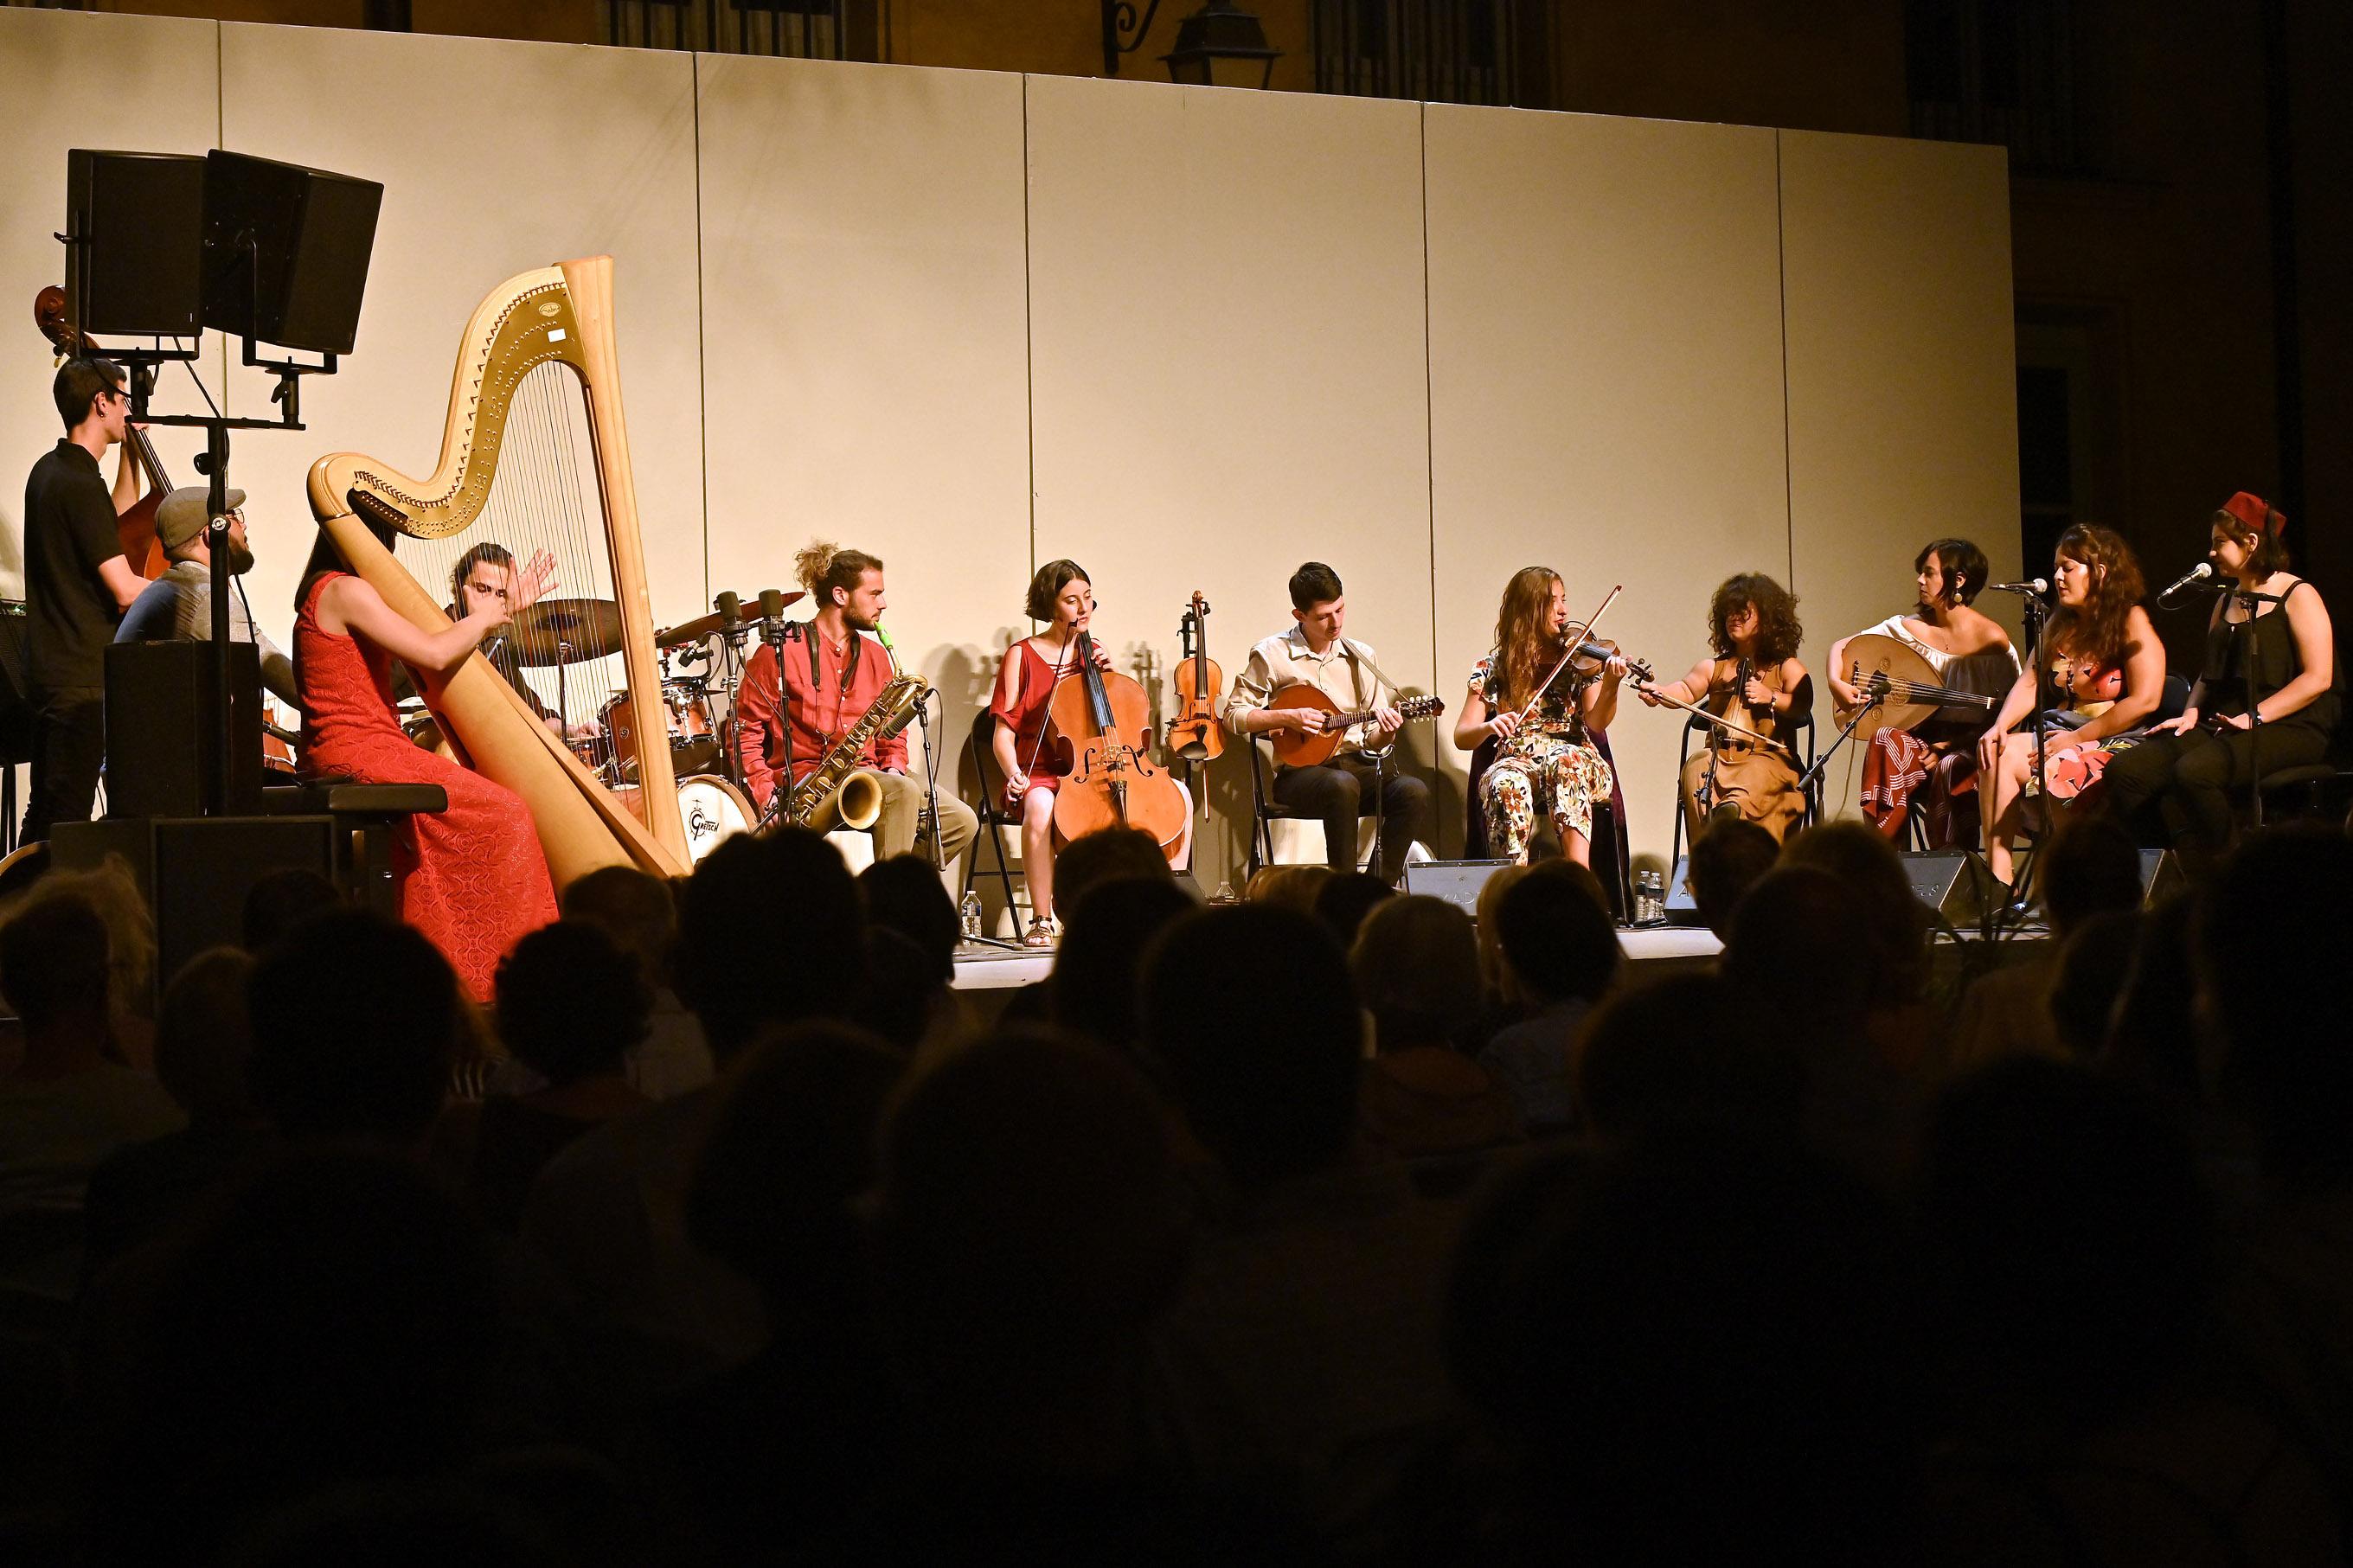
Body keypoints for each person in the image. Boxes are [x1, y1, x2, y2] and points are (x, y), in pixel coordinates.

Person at [292, 534, 558, 1001]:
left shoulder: (332, 589)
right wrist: (487, 615)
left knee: (488, 810)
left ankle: (458, 964)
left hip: (360, 745)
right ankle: (494, 982)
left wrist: (496, 612)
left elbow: (434, 645)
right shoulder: (344, 590)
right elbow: (434, 654)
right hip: (360, 747)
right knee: (506, 813)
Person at [2101, 493, 2339, 864]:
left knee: (2194, 773)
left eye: (2218, 543)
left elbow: (2318, 678)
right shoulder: (2226, 600)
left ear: (2251, 542)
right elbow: (2208, 674)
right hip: (2226, 722)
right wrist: (2191, 712)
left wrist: (2255, 716)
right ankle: (2178, 866)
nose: (2210, 552)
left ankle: (2231, 874)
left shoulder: (2298, 594)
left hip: (2291, 725)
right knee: (2127, 772)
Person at [734, 541, 978, 874]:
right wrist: (766, 797)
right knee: (901, 792)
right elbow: (745, 732)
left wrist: (893, 765)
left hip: (872, 774)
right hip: (810, 783)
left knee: (962, 822)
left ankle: (874, 891)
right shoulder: (780, 652)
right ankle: (888, 912)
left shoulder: (878, 657)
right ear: (840, 596)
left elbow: (892, 731)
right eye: (874, 594)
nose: (884, 604)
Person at [988, 559, 1190, 945]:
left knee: (1179, 795)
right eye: (1071, 600)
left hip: (1098, 765)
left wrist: (1111, 679)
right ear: (1050, 604)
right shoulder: (1022, 655)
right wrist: (1014, 772)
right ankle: (1043, 918)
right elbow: (1003, 733)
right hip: (1042, 772)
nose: (1083, 609)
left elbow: (1119, 724)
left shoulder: (1094, 651)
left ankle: (1165, 902)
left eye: (1088, 598)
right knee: (1041, 808)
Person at [1976, 524, 2165, 892]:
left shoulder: (2131, 619)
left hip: (2113, 738)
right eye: (2056, 567)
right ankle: (1999, 883)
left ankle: (2074, 884)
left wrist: (2077, 738)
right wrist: (2000, 726)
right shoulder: (2061, 623)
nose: (2057, 576)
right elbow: (2030, 681)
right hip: (2059, 734)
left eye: (2068, 567)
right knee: (1996, 753)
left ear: (2101, 572)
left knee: (2061, 767)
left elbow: (2147, 700)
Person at [1223, 561, 1430, 885]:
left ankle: (1376, 887)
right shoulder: (1271, 654)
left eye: (1340, 610)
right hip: (1299, 775)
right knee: (1340, 785)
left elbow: (1373, 739)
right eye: (1323, 616)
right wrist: (1285, 716)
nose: (1336, 623)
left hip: (1356, 766)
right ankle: (1343, 890)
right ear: (1299, 616)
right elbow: (1233, 715)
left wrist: (1386, 733)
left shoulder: (1362, 656)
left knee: (1412, 791)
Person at [18, 357, 147, 843]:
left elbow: (108, 523)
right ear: (102, 401)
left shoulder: (53, 471)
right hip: (79, 680)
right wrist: (186, 588)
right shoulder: (76, 481)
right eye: (123, 399)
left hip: (52, 673)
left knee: (47, 815)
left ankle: (19, 910)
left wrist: (132, 449)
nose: (127, 409)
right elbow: (122, 588)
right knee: (66, 823)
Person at [1836, 538, 2019, 848]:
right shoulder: (1909, 629)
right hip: (1921, 736)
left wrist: (1951, 745)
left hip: (1970, 745)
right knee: (1886, 740)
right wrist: (1835, 683)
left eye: (1929, 573)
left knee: (1951, 766)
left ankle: (1950, 871)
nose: (1920, 580)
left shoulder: (1991, 641)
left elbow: (2007, 715)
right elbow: (1843, 647)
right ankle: (1889, 861)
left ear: (1958, 580)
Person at [1454, 566, 1627, 868]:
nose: (1565, 610)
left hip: (1575, 757)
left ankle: (1579, 877)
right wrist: (1488, 726)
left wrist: (1610, 686)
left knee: (1563, 761)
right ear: (1530, 609)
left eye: (1564, 599)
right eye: (1554, 602)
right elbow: (1462, 735)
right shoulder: (1495, 664)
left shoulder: (1578, 658)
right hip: (1518, 758)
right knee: (1504, 781)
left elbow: (1597, 722)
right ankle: (1511, 884)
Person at [1638, 573, 1812, 845]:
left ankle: (1733, 816)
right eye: (1729, 612)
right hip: (1719, 758)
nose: (1734, 617)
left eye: (1743, 612)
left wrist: (1771, 697)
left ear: (1767, 618)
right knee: (1696, 766)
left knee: (1756, 772)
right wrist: (1660, 693)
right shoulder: (1713, 667)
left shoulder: (1786, 667)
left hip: (1769, 758)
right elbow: (1684, 690)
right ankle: (1712, 850)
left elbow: (1803, 703)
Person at [113, 486, 299, 707]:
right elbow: (286, 680)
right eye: (235, 517)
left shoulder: (173, 585)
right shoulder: (203, 595)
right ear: (213, 533)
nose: (244, 525)